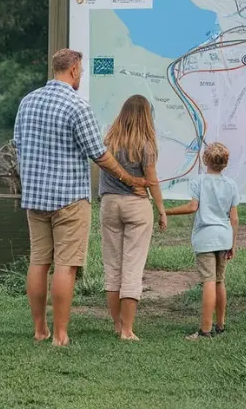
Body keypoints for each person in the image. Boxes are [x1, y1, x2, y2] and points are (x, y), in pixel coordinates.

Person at [13, 49, 152, 347]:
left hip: (35, 198)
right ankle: (61, 335)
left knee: (39, 262)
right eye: (82, 71)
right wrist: (130, 179)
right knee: (66, 265)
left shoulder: (27, 102)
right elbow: (99, 155)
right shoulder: (77, 106)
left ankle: (40, 330)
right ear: (74, 70)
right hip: (69, 199)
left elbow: (19, 144)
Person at [98, 95, 167, 341]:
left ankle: (117, 325)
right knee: (132, 267)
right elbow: (152, 181)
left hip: (109, 204)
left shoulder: (109, 137)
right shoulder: (146, 144)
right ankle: (127, 330)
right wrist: (161, 209)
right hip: (137, 206)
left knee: (113, 267)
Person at [165, 142, 239, 340]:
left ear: (205, 160)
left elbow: (192, 207)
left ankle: (204, 330)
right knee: (219, 281)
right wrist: (233, 242)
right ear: (225, 163)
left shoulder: (198, 181)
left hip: (205, 238)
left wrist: (166, 211)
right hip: (224, 237)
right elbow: (234, 218)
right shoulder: (231, 184)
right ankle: (220, 325)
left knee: (208, 281)